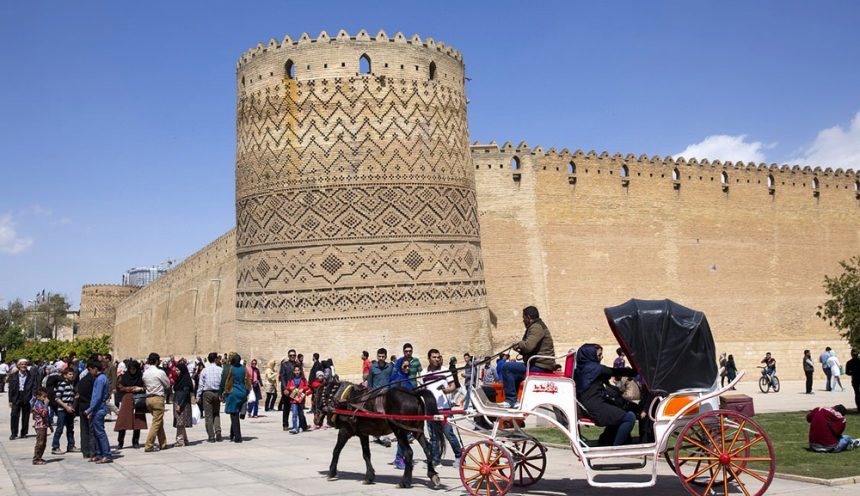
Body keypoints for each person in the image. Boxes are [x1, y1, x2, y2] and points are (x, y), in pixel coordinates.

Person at [573, 344, 639, 446]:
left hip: (589, 404)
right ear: (590, 355)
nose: (601, 357)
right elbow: (614, 371)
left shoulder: (581, 369)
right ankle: (617, 448)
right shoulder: (594, 368)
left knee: (620, 411)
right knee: (629, 417)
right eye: (599, 355)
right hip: (595, 406)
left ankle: (607, 440)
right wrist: (635, 371)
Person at [500, 306, 556, 408]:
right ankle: (514, 401)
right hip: (539, 364)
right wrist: (519, 349)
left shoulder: (536, 327)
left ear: (529, 317)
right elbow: (530, 349)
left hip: (540, 366)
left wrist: (519, 344)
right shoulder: (537, 326)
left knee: (506, 367)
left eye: (523, 317)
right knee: (514, 374)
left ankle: (511, 400)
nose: (523, 320)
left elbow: (529, 346)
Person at [418, 348, 463, 466]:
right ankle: (435, 459)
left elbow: (453, 386)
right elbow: (423, 389)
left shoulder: (445, 371)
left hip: (444, 408)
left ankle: (459, 456)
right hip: (430, 409)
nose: (437, 359)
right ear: (429, 358)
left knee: (448, 434)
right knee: (433, 436)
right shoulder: (423, 373)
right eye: (434, 357)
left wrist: (446, 390)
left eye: (438, 357)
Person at [115, 360, 147, 449]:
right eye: (131, 369)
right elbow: (119, 387)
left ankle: (135, 441)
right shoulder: (123, 377)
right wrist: (131, 388)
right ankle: (120, 442)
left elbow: (145, 387)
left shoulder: (141, 377)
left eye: (134, 369)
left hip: (138, 399)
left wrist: (140, 389)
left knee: (138, 421)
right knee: (123, 421)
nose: (133, 371)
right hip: (127, 399)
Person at [389, 359, 414, 469]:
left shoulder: (406, 378)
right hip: (399, 413)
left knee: (406, 436)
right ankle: (399, 458)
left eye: (408, 366)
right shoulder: (396, 378)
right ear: (400, 366)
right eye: (405, 367)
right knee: (403, 436)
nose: (407, 369)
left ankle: (402, 457)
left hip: (408, 412)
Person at [142, 352, 170, 452]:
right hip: (158, 398)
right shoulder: (159, 372)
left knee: (158, 421)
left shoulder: (145, 373)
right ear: (157, 361)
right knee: (156, 423)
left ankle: (163, 443)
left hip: (148, 399)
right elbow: (167, 385)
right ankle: (149, 445)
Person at [223, 353, 251, 442]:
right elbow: (248, 381)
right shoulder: (244, 368)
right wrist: (247, 392)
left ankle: (238, 437)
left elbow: (227, 381)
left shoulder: (231, 368)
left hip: (234, 393)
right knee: (235, 414)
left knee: (234, 415)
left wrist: (226, 392)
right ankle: (232, 434)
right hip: (243, 392)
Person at [196, 352, 223, 442]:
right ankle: (218, 432)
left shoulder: (204, 370)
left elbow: (201, 385)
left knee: (208, 415)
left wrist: (198, 396)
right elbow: (222, 383)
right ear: (215, 359)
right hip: (217, 393)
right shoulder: (220, 370)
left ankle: (211, 436)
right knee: (216, 414)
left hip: (207, 393)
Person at [50, 367, 78, 454]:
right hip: (62, 409)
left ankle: (71, 445)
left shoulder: (71, 384)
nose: (72, 376)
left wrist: (73, 404)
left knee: (70, 428)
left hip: (70, 409)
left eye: (72, 374)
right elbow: (57, 398)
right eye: (70, 374)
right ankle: (55, 447)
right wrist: (66, 407)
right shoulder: (62, 384)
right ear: (65, 375)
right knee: (60, 428)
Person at [9, 358, 36, 440]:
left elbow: (34, 387)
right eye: (22, 364)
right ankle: (14, 433)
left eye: (25, 364)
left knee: (26, 416)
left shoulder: (31, 375)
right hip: (16, 397)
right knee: (14, 415)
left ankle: (24, 432)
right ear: (18, 365)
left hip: (26, 396)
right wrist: (10, 400)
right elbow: (11, 389)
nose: (24, 366)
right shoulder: (13, 375)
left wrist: (33, 398)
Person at [173, 361, 194, 447]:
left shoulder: (185, 380)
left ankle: (180, 441)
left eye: (178, 370)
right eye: (176, 370)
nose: (177, 372)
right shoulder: (179, 379)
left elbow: (186, 393)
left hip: (182, 404)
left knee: (180, 423)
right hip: (178, 402)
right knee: (180, 422)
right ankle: (185, 440)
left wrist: (180, 405)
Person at [286, 364, 311, 434]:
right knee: (294, 414)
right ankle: (294, 427)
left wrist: (302, 389)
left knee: (300, 414)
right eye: (295, 370)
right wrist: (290, 388)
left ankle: (300, 426)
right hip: (293, 399)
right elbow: (288, 387)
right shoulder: (291, 380)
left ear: (300, 371)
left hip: (300, 399)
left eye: (298, 370)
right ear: (293, 371)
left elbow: (307, 386)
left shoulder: (303, 379)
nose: (297, 372)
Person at [31, 388, 51, 465]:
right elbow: (43, 414)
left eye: (46, 396)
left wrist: (49, 425)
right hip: (40, 426)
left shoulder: (42, 403)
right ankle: (36, 458)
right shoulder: (38, 404)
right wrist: (46, 404)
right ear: (38, 397)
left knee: (44, 442)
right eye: (44, 396)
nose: (45, 398)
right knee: (40, 442)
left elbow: (47, 415)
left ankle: (40, 456)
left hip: (44, 425)